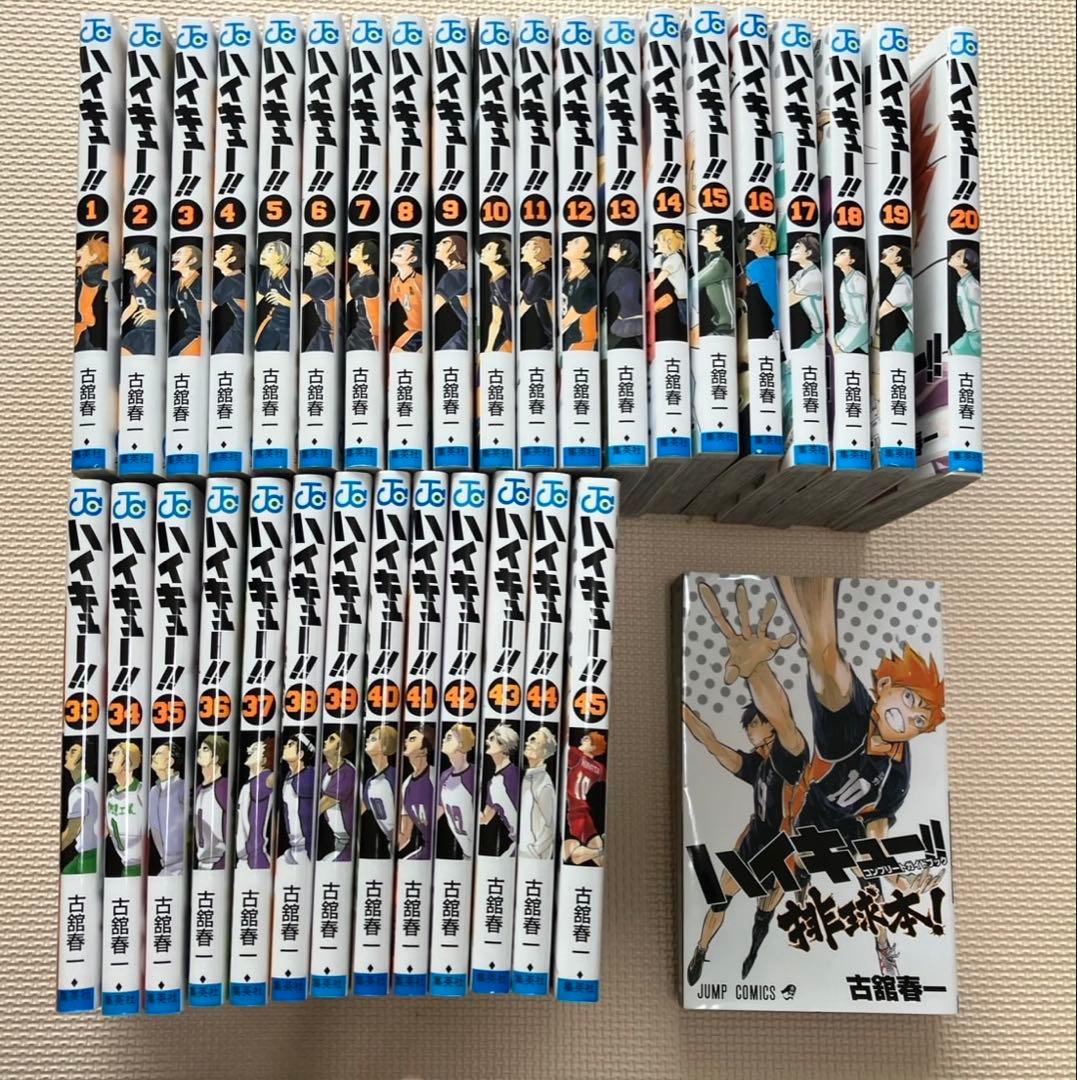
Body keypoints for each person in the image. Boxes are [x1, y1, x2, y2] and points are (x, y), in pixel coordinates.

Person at [776, 575, 946, 976]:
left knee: (872, 880)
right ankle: (800, 891)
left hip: (849, 825)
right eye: (908, 698)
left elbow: (875, 837)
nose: (906, 714)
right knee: (798, 862)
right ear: (883, 686)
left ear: (920, 731)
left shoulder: (897, 776)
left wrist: (900, 880)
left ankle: (884, 949)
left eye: (918, 719)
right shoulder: (851, 716)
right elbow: (825, 656)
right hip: (814, 810)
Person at [682, 581, 808, 986]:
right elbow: (712, 744)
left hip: (786, 845)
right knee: (720, 897)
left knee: (767, 908)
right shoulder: (756, 764)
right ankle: (701, 949)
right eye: (750, 724)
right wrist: (682, 710)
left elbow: (784, 716)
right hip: (755, 839)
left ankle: (756, 944)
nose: (752, 729)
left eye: (757, 722)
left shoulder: (791, 755)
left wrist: (756, 669)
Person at [562, 732, 606, 866]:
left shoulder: (577, 756)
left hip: (573, 809)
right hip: (584, 810)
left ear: (593, 747)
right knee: (601, 860)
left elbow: (564, 748)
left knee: (569, 856)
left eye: (587, 739)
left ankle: (602, 849)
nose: (582, 739)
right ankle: (601, 850)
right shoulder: (599, 768)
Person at [235, 736, 274, 870]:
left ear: (264, 760)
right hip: (244, 861)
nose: (249, 749)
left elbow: (273, 778)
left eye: (255, 749)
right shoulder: (249, 783)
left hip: (256, 860)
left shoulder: (264, 779)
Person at [106, 740, 144, 877]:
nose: (109, 757)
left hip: (140, 867)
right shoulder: (111, 795)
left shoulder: (141, 791)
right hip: (125, 865)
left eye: (115, 754)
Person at [480, 724, 520, 856]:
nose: (487, 741)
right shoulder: (493, 782)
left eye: (491, 739)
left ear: (503, 745)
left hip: (527, 841)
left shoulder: (515, 775)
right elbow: (485, 818)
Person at [437, 723, 476, 858]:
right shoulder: (445, 775)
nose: (443, 740)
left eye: (448, 738)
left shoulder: (475, 774)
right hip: (465, 852)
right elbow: (440, 809)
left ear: (460, 744)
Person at [61, 742, 100, 874]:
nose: (67, 754)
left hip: (88, 858)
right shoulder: (94, 785)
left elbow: (71, 832)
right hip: (92, 854)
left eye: (73, 752)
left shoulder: (79, 790)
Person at [398, 725, 436, 859]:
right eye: (407, 738)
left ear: (423, 751)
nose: (405, 741)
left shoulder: (435, 777)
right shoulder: (406, 784)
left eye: (412, 739)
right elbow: (405, 835)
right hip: (426, 849)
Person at [147, 741, 185, 875]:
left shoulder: (183, 787)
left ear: (170, 761)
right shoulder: (153, 792)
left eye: (158, 754)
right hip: (165, 867)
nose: (153, 756)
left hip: (182, 867)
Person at [319, 729, 357, 861]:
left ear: (339, 749)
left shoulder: (346, 773)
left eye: (331, 740)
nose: (325, 741)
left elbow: (321, 806)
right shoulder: (325, 768)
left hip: (348, 841)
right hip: (338, 838)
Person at [519, 727, 557, 860]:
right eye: (528, 739)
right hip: (522, 852)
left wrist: (534, 851)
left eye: (533, 741)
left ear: (544, 751)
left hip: (533, 858)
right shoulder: (528, 777)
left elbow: (551, 824)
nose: (527, 743)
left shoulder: (544, 783)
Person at [360, 724, 397, 857]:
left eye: (373, 739)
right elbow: (360, 809)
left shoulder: (394, 776)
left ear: (384, 747)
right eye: (369, 738)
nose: (367, 740)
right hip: (390, 842)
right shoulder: (370, 782)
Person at [193, 735, 229, 870]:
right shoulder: (198, 790)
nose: (199, 751)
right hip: (202, 863)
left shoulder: (223, 786)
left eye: (205, 749)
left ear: (215, 758)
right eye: (200, 748)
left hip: (218, 862)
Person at [279, 733, 316, 864]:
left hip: (305, 848)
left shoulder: (308, 775)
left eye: (290, 745)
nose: (285, 747)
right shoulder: (289, 775)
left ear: (300, 754)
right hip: (294, 845)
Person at [695, 224, 734, 338]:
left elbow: (693, 284)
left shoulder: (719, 262)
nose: (702, 231)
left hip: (727, 328)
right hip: (722, 326)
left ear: (718, 238)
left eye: (707, 230)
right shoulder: (712, 260)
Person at [741, 224, 779, 338]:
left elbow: (737, 287)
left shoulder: (757, 265)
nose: (748, 236)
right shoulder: (773, 262)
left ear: (764, 241)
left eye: (754, 234)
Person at [604, 239, 643, 349]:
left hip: (628, 321)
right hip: (633, 318)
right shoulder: (634, 273)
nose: (610, 247)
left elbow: (603, 296)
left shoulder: (618, 273)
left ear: (624, 252)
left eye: (615, 246)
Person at [561, 235, 598, 352]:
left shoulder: (589, 283)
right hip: (563, 338)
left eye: (576, 242)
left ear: (585, 254)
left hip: (579, 343)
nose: (568, 242)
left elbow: (566, 321)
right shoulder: (564, 272)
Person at [120, 241, 158, 355]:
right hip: (141, 328)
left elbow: (172, 305)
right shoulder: (133, 280)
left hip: (153, 331)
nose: (127, 255)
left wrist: (157, 314)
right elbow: (133, 306)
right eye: (128, 252)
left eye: (133, 253)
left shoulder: (154, 280)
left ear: (145, 260)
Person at [652, 228, 689, 341]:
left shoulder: (675, 258)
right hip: (680, 297)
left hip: (685, 299)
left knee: (686, 324)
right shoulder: (661, 257)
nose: (655, 242)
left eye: (658, 239)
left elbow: (660, 279)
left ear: (668, 242)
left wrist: (646, 292)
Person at [255, 239, 292, 351]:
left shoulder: (289, 276)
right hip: (274, 322)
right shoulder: (266, 274)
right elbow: (258, 296)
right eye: (264, 249)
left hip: (290, 326)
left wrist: (282, 300)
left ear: (280, 257)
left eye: (270, 250)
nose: (263, 253)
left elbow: (302, 306)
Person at [433, 235, 469, 350]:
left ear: (453, 248)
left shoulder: (455, 276)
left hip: (470, 335)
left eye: (444, 242)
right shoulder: (461, 273)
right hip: (468, 333)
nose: (437, 245)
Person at [787, 236, 824, 347]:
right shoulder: (801, 273)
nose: (792, 249)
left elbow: (785, 302)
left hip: (823, 333)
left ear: (808, 253)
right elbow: (785, 290)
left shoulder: (812, 277)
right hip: (816, 332)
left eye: (797, 247)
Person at [74, 234, 109, 350]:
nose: (77, 251)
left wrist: (112, 288)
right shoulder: (80, 274)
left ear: (93, 256)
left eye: (82, 250)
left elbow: (111, 275)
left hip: (80, 327)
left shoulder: (91, 271)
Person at [518, 236, 553, 351]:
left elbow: (522, 308)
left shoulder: (541, 278)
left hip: (555, 334)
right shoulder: (531, 274)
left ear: (537, 251)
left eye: (527, 246)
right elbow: (521, 295)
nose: (522, 248)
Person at [211, 239, 246, 354]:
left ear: (231, 259)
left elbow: (203, 311)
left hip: (240, 332)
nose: (216, 251)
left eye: (222, 250)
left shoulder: (229, 282)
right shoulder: (241, 277)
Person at [876, 244, 913, 352]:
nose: (884, 249)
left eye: (891, 250)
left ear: (897, 259)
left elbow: (881, 312)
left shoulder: (903, 284)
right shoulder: (904, 279)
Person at [301, 239, 336, 352]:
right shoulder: (323, 277)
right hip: (326, 331)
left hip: (329, 335)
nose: (306, 254)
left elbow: (296, 305)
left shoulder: (322, 281)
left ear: (322, 258)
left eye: (311, 252)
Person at [345, 238, 380, 352]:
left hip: (368, 334)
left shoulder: (368, 281)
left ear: (365, 256)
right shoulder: (358, 275)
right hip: (360, 329)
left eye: (357, 249)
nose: (351, 249)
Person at [388, 240, 423, 352]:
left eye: (402, 249)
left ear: (413, 259)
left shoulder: (420, 281)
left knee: (396, 352)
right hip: (412, 330)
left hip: (423, 331)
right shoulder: (395, 280)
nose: (395, 250)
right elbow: (388, 302)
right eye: (397, 248)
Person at [169, 244, 203, 356]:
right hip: (191, 332)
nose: (173, 255)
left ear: (192, 260)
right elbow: (169, 308)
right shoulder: (177, 284)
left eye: (179, 253)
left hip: (200, 334)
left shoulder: (200, 283)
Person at [479, 238, 512, 353]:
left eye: (488, 249)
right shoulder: (494, 280)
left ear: (497, 257)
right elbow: (496, 321)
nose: (482, 250)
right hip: (509, 338)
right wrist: (488, 348)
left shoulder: (506, 282)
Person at [833, 245, 868, 353]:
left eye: (842, 253)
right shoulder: (845, 281)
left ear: (851, 261)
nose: (837, 254)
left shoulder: (858, 279)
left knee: (836, 352)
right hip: (850, 325)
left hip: (860, 326)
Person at [948, 246, 981, 355]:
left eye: (958, 256)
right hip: (971, 335)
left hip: (977, 337)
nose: (952, 256)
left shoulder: (971, 285)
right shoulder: (962, 283)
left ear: (965, 264)